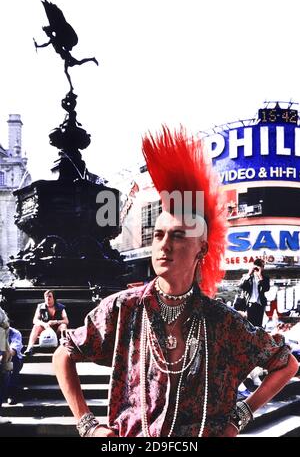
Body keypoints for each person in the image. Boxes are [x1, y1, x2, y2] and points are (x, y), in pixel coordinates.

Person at [53, 127, 298, 437]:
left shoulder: (223, 322)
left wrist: (240, 417)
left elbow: (286, 365)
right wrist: (88, 426)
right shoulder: (123, 307)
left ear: (202, 249)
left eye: (178, 236)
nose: (164, 245)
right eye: (159, 235)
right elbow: (63, 354)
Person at [24, 290, 69, 356]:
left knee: (63, 326)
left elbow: (66, 321)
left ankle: (65, 347)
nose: (48, 298)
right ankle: (29, 348)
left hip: (56, 330)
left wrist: (56, 322)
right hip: (45, 331)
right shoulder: (40, 307)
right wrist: (44, 324)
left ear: (54, 298)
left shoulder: (61, 307)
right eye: (46, 297)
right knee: (36, 326)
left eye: (50, 296)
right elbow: (35, 320)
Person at [239, 259, 270, 327]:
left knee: (258, 326)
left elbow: (266, 288)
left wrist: (260, 277)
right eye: (256, 265)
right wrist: (249, 273)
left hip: (260, 304)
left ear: (262, 268)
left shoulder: (265, 278)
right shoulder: (247, 276)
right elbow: (241, 286)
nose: (257, 268)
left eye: (260, 266)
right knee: (249, 325)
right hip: (249, 304)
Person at [7, 327, 24, 405]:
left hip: (14, 360)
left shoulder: (15, 333)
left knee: (13, 360)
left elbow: (12, 351)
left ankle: (12, 393)